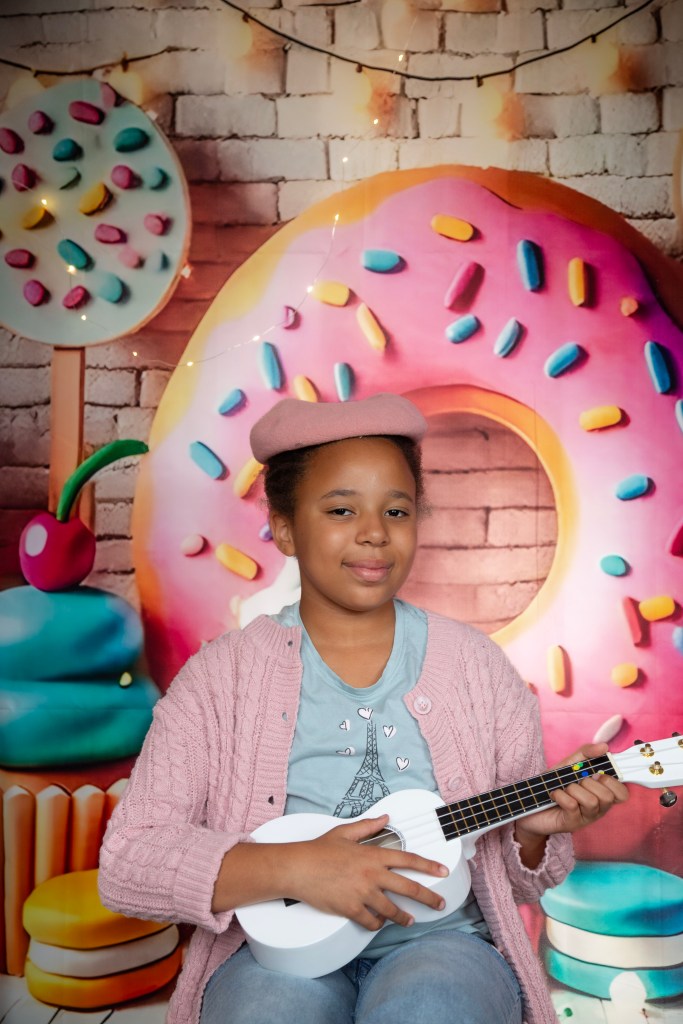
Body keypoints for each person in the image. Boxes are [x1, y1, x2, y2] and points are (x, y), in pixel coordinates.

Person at [99, 393, 629, 1024]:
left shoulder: (478, 669)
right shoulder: (219, 680)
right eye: (341, 509)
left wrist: (534, 833)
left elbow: (516, 882)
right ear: (285, 527)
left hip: (444, 946)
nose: (375, 532)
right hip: (270, 960)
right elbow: (128, 864)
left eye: (396, 510)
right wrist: (295, 867)